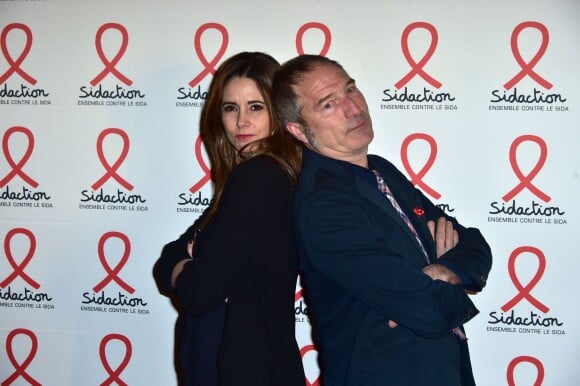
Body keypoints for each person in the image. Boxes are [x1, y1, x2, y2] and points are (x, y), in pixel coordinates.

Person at [272, 54, 492, 386]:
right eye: (328, 105)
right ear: (299, 130)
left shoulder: (383, 169)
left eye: (350, 90)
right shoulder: (323, 206)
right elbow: (430, 311)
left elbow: (475, 245)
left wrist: (444, 270)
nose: (352, 108)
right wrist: (435, 284)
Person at [153, 52, 306, 386]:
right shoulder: (268, 175)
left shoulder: (259, 177)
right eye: (230, 107)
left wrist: (182, 268)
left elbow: (197, 290)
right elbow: (171, 257)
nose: (241, 122)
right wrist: (182, 264)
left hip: (240, 367)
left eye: (255, 106)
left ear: (278, 111)